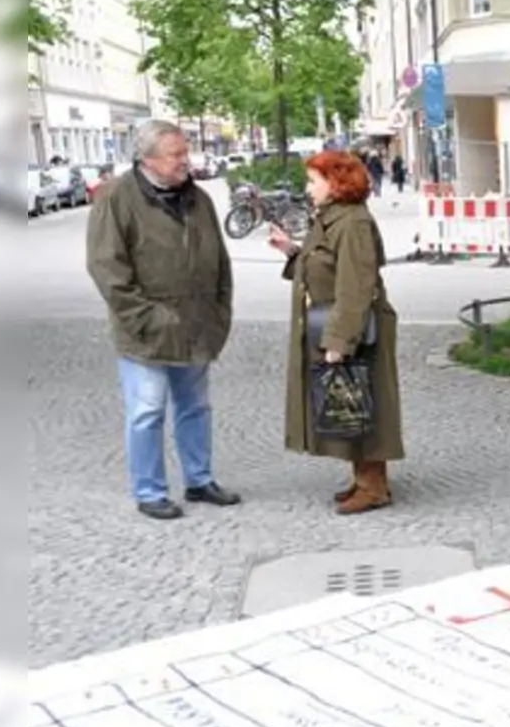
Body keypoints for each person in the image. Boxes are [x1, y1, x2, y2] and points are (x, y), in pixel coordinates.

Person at [85, 120, 240, 520]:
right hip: (144, 333)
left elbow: (220, 262)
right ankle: (150, 490)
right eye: (177, 154)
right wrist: (148, 318)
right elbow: (107, 269)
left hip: (195, 325)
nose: (186, 161)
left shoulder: (198, 199)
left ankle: (199, 479)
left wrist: (220, 311)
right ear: (148, 158)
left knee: (196, 407)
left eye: (185, 152)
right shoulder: (116, 198)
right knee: (147, 411)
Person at [271, 151, 405, 514]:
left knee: (361, 401)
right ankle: (364, 478)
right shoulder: (334, 218)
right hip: (341, 321)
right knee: (350, 402)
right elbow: (325, 264)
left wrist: (339, 342)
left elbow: (356, 286)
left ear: (336, 183)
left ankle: (373, 486)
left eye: (313, 180)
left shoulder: (352, 223)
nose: (307, 187)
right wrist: (292, 252)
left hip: (356, 326)